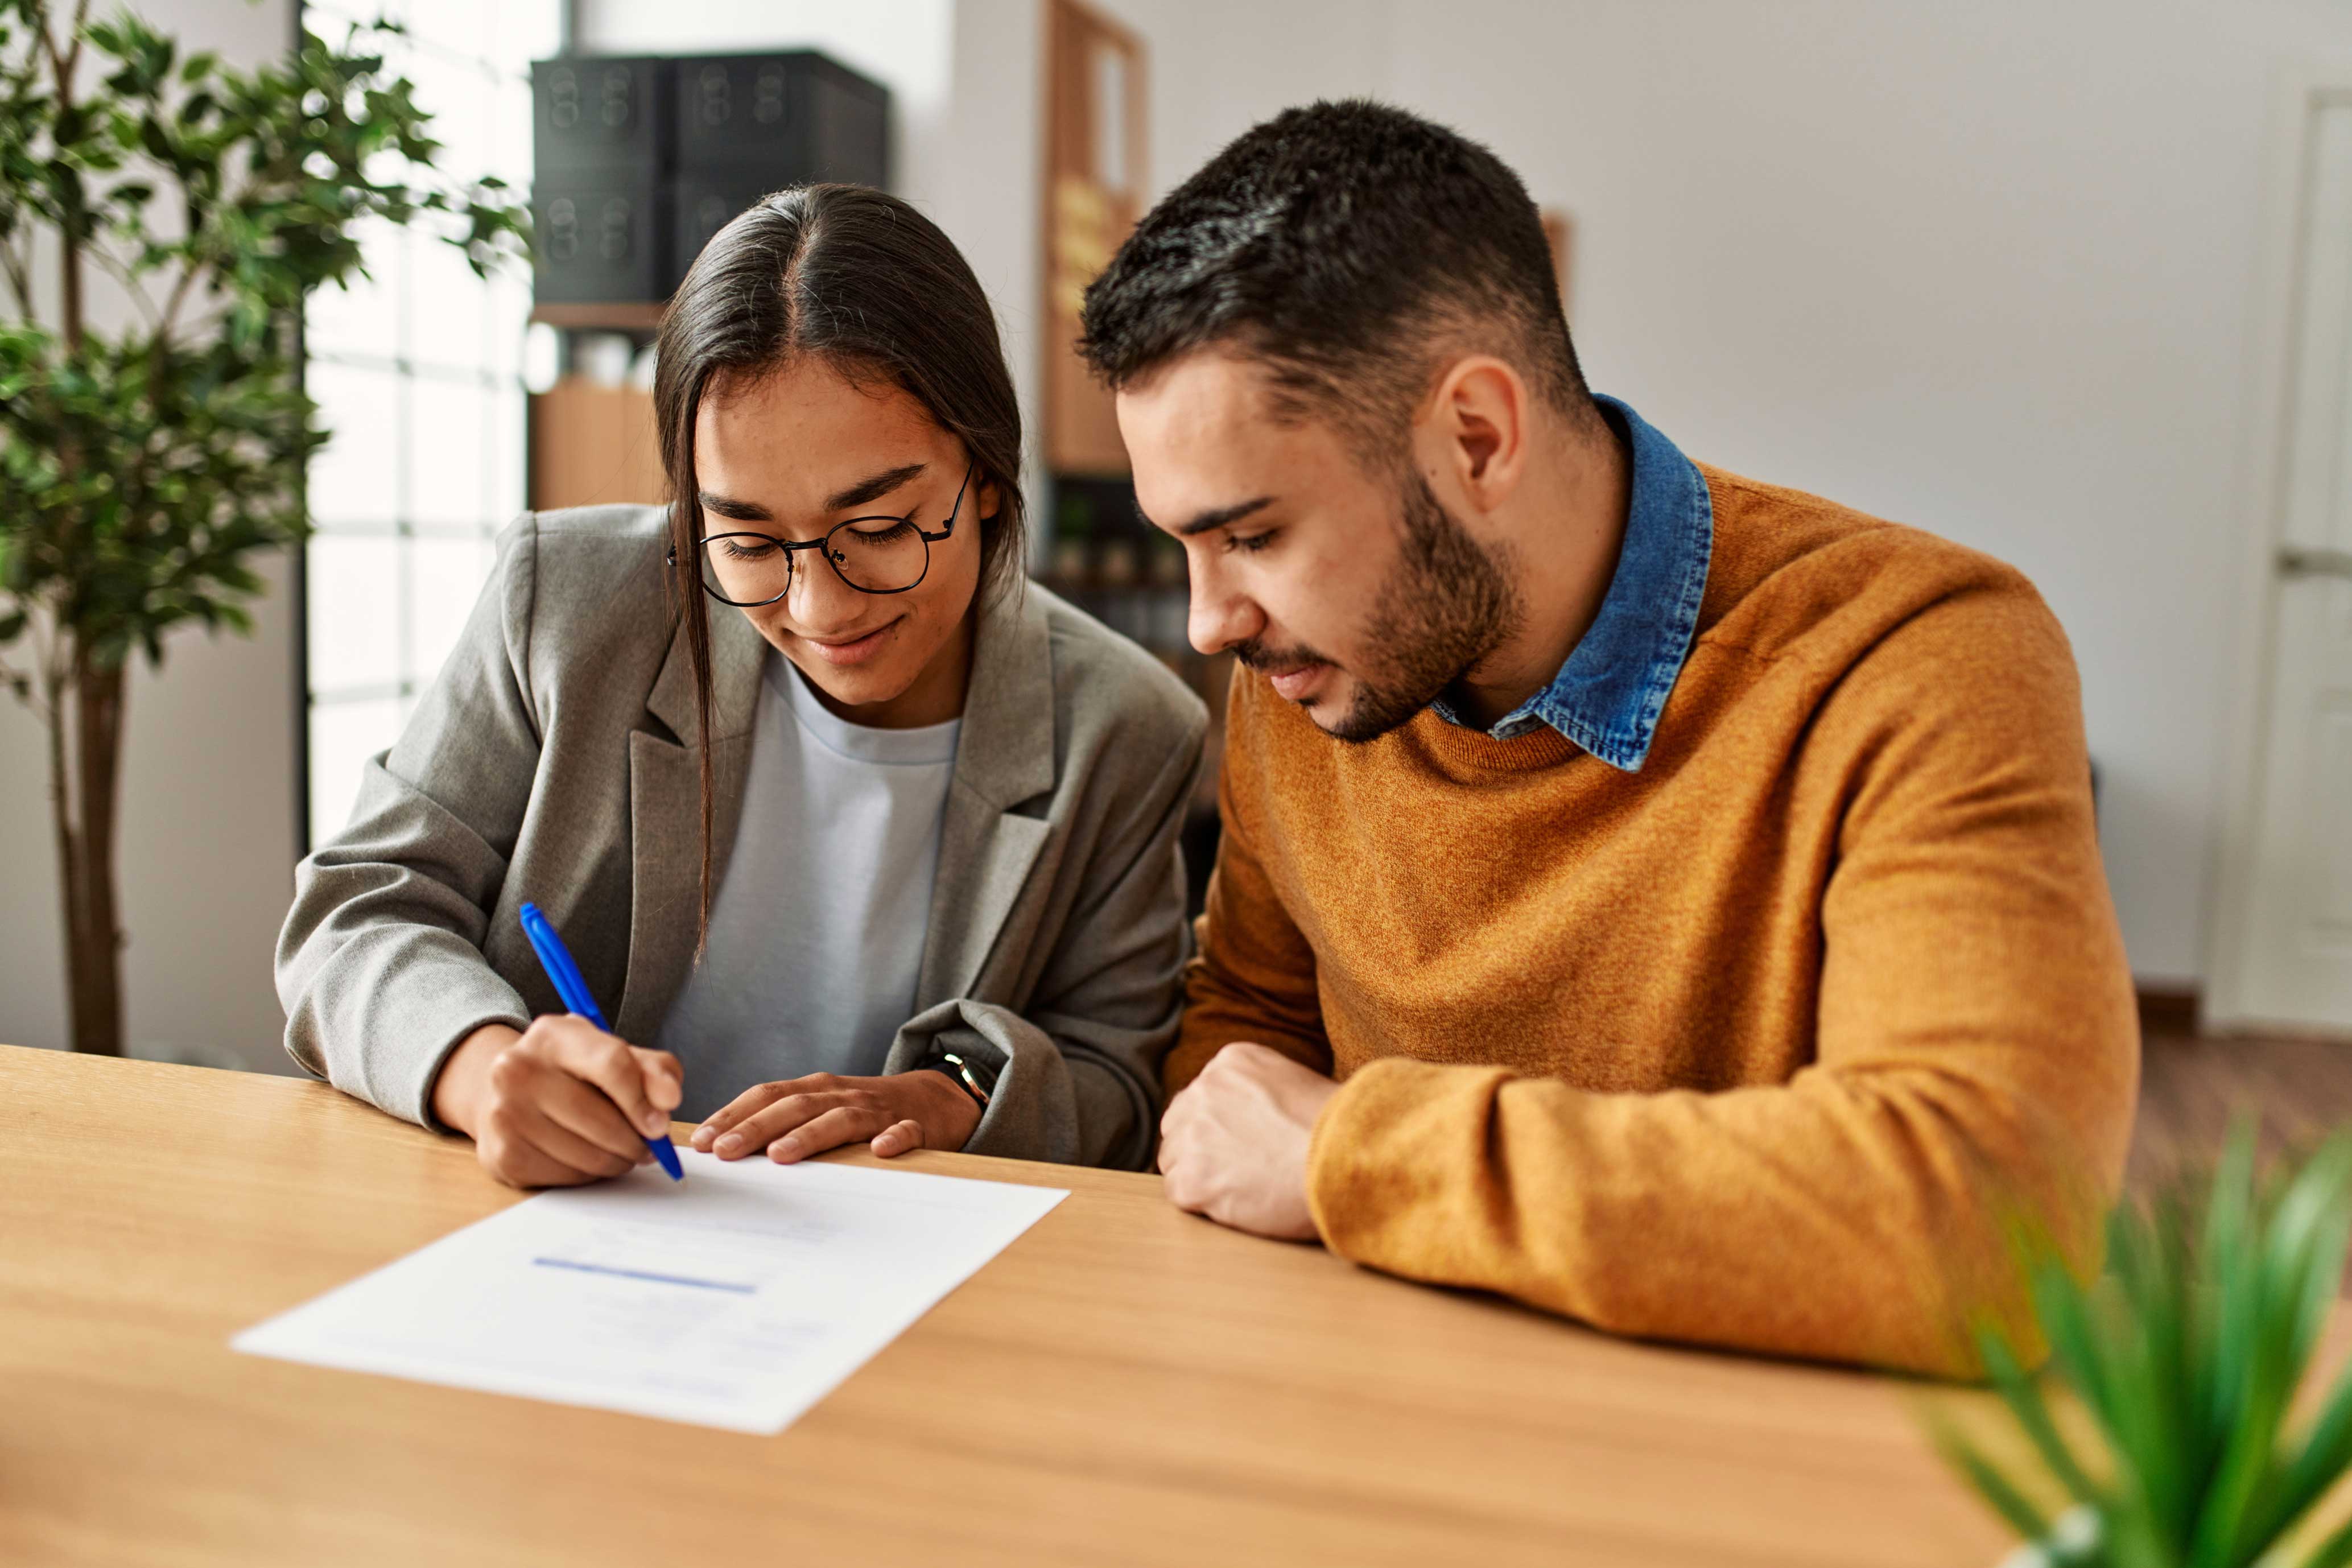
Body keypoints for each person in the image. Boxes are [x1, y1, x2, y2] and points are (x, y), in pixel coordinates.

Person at [1078, 102, 2136, 1375]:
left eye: (1251, 535)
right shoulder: (1305, 673)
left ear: (1477, 437)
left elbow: (1991, 1215)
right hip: (1367, 1406)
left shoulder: (1917, 655)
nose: (1207, 623)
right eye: (1183, 545)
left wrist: (1351, 1160)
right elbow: (1251, 1030)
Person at [279, 184, 1206, 1187]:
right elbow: (357, 913)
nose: (818, 606)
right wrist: (481, 1068)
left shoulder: (1123, 725)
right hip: (565, 1227)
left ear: (985, 475)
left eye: (880, 530)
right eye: (750, 540)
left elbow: (1118, 1074)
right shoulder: (569, 605)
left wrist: (951, 1095)